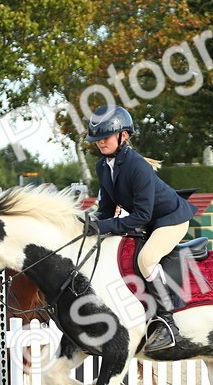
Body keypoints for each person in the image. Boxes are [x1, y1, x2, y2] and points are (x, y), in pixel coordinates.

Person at [83, 105, 195, 352]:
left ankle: (167, 320)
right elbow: (107, 209)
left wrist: (102, 226)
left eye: (105, 137)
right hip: (148, 222)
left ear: (122, 135)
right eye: (97, 139)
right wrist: (89, 222)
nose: (100, 143)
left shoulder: (137, 165)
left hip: (171, 219)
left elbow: (140, 216)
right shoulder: (103, 167)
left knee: (146, 259)